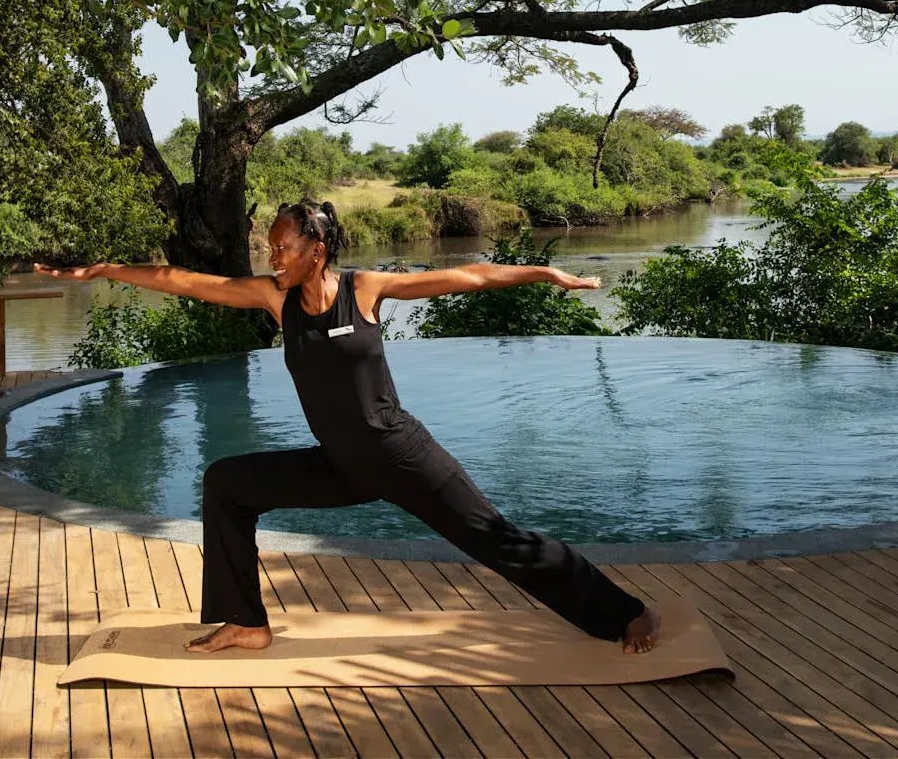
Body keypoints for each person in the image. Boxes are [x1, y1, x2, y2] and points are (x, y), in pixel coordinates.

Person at [35, 199, 662, 655]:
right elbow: (187, 282)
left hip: (401, 454)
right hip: (339, 463)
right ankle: (246, 623)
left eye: (284, 246)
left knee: (496, 539)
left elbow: (466, 276)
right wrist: (105, 271)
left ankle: (622, 613)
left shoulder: (364, 289)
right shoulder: (274, 299)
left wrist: (543, 272)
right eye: (270, 247)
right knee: (227, 482)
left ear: (318, 249)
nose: (273, 256)